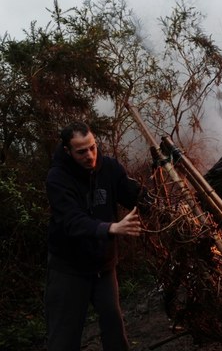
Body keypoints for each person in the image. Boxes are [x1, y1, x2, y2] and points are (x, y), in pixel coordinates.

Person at [45, 121, 144, 351]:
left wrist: (158, 200)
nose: (90, 155)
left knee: (113, 326)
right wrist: (111, 228)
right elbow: (72, 222)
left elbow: (131, 195)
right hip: (69, 268)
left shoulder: (108, 168)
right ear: (68, 151)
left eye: (93, 147)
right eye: (81, 151)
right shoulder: (57, 178)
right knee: (64, 336)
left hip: (103, 265)